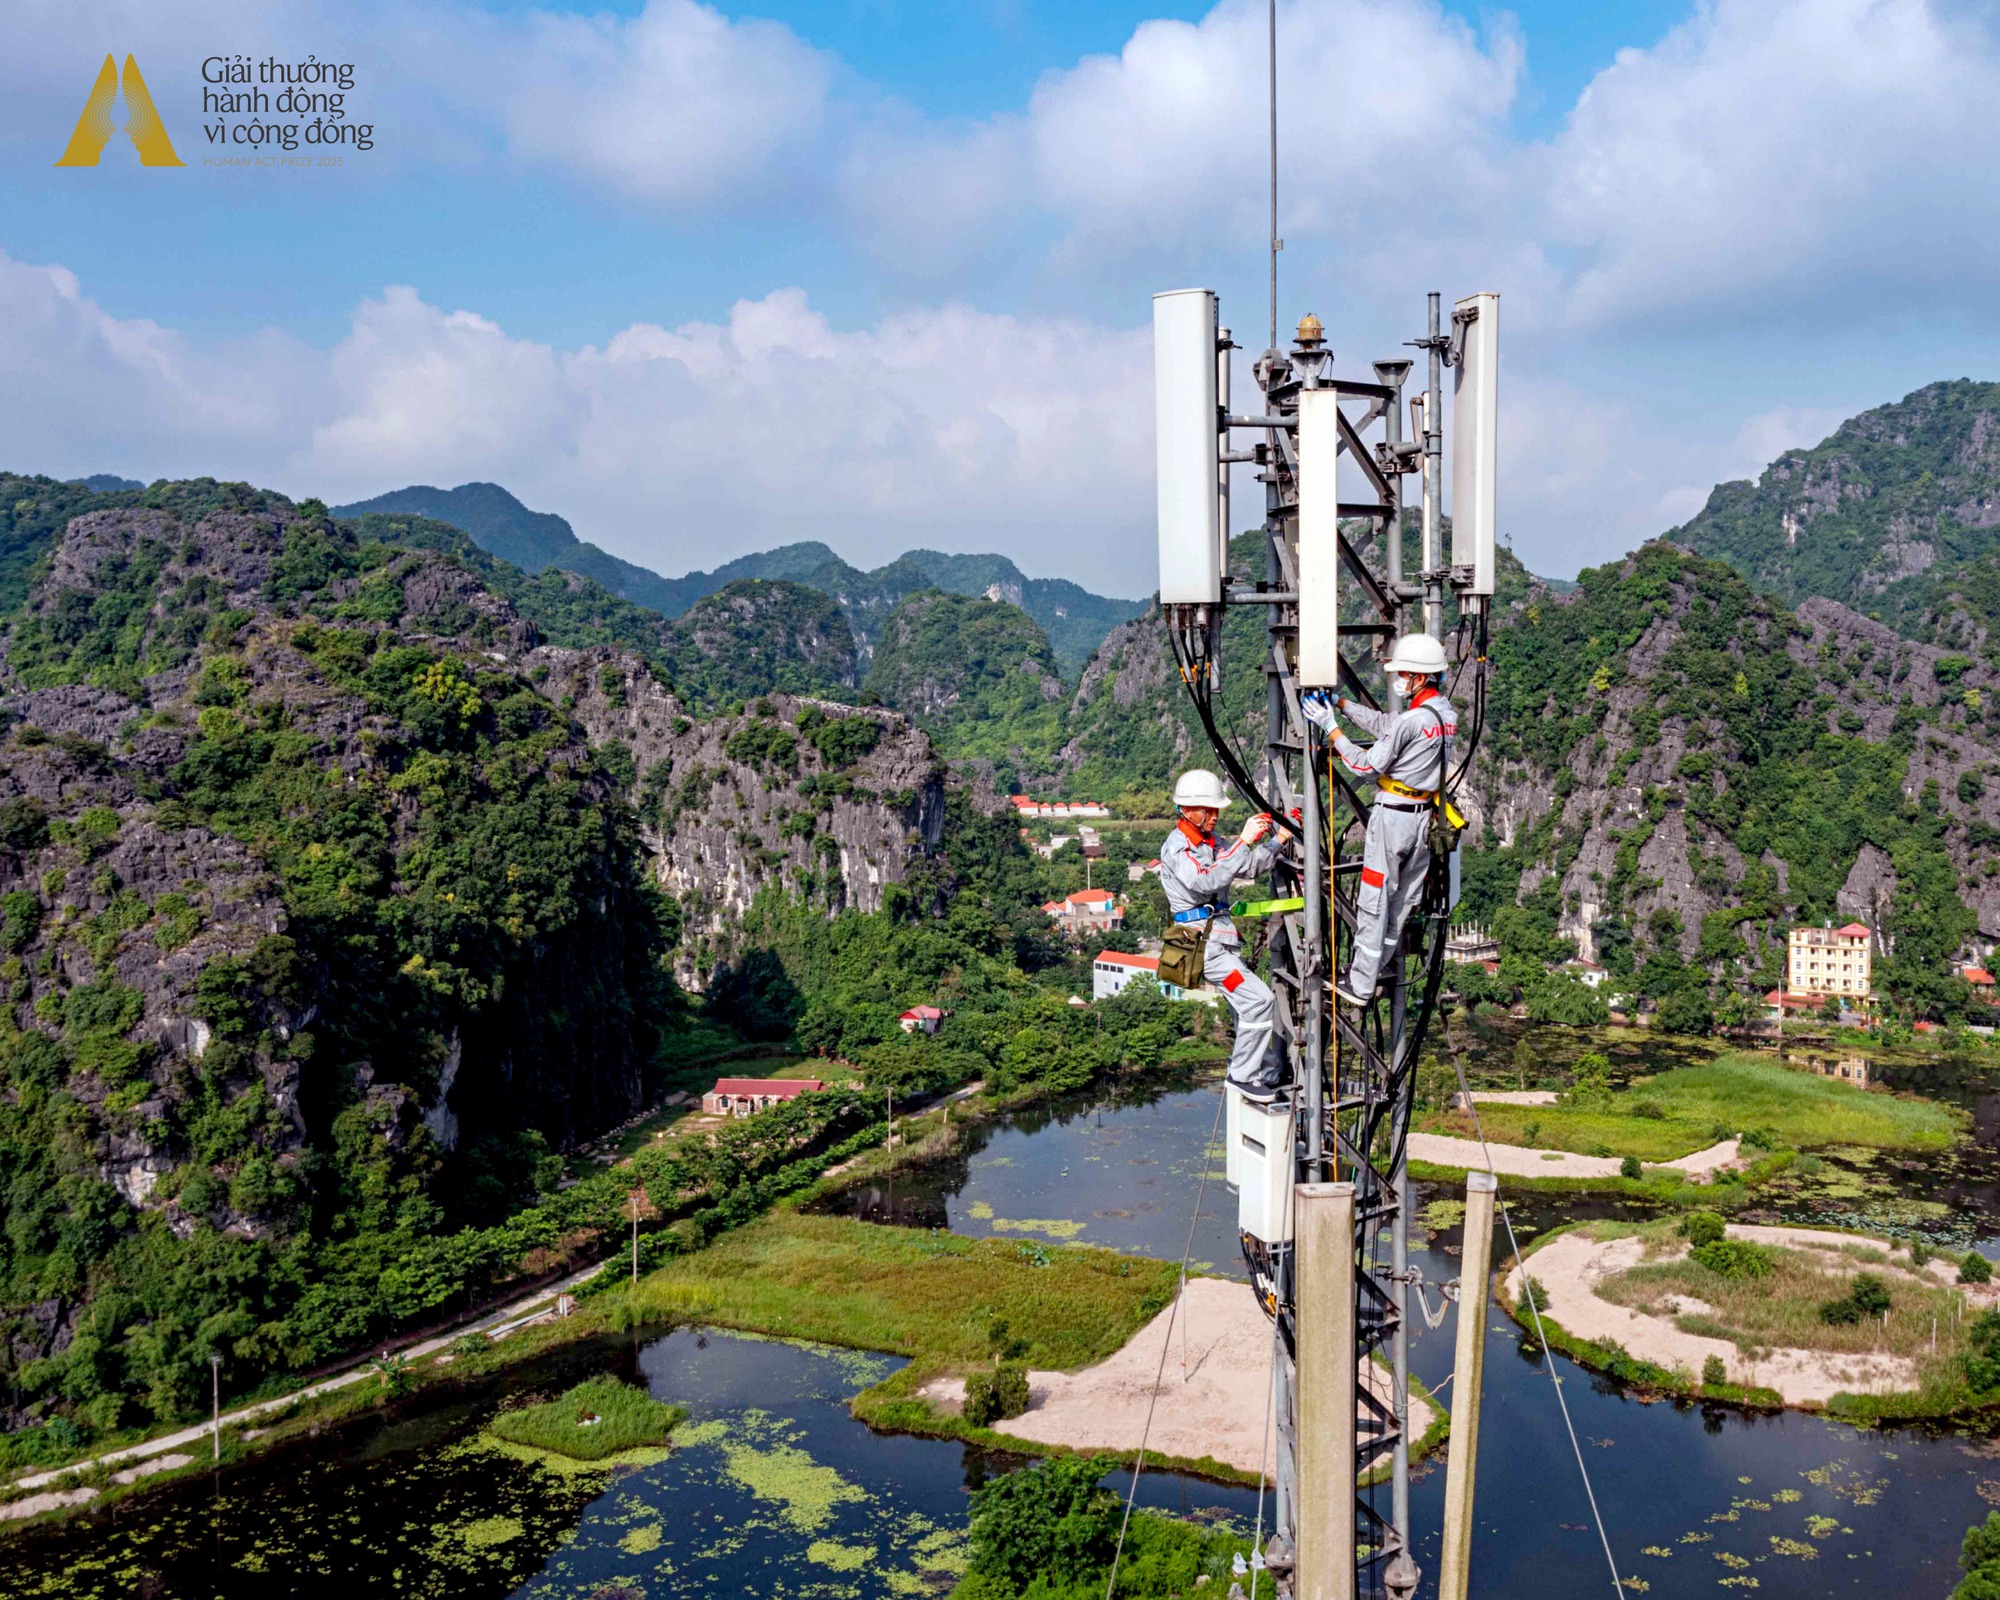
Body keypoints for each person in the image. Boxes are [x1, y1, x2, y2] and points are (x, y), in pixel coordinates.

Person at [1302, 633, 1457, 1006]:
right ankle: (1377, 965)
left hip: (1394, 820)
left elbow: (1366, 766)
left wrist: (1331, 727)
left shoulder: (1413, 720)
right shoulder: (1444, 715)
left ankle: (1360, 984)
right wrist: (1341, 704)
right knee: (1402, 900)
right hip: (1426, 820)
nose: (1399, 680)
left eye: (1403, 674)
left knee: (1375, 898)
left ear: (1420, 677)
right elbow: (1389, 724)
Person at [1159, 768, 1291, 1100]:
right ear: (1187, 810)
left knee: (1245, 1007)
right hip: (1202, 946)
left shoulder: (1212, 842)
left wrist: (1278, 840)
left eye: (1216, 809)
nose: (1215, 816)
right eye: (1209, 810)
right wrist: (1244, 841)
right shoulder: (1177, 849)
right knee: (1259, 1001)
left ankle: (1266, 1071)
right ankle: (1243, 1075)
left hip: (1220, 941)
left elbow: (1245, 867)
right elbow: (1207, 879)